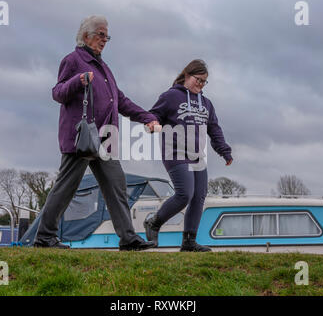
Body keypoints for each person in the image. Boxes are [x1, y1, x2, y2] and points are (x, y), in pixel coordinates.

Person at [34, 15, 159, 250]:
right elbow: (57, 93)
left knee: (116, 185)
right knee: (66, 187)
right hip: (81, 138)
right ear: (86, 36)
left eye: (107, 35)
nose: (105, 39)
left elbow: (120, 101)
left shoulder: (105, 68)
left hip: (105, 139)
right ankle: (44, 237)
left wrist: (148, 117)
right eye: (101, 34)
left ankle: (128, 239)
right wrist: (77, 81)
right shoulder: (72, 61)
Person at [144, 59, 233, 252]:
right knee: (185, 193)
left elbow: (214, 129)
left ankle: (189, 242)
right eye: (197, 79)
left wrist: (224, 150)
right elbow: (154, 115)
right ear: (186, 75)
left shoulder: (207, 104)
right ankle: (153, 223)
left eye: (204, 82)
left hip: (197, 156)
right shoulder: (170, 96)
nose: (200, 84)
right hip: (174, 152)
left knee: (199, 196)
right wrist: (152, 124)